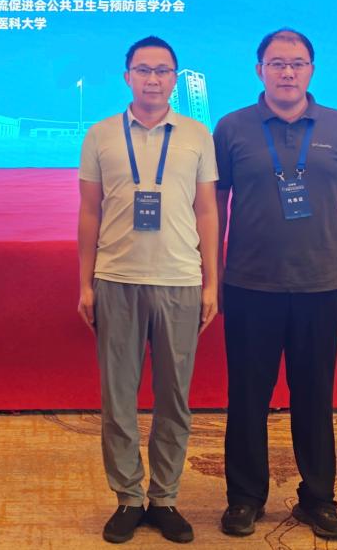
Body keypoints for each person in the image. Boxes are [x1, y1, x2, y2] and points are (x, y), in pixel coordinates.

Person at [214, 28, 337, 541]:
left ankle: (318, 498)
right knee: (247, 397)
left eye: (297, 63)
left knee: (314, 397)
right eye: (277, 63)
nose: (287, 71)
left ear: (311, 70)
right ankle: (245, 498)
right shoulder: (232, 127)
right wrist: (212, 272)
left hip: (320, 286)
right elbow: (215, 203)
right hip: (249, 285)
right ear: (259, 69)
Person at [77, 36, 219, 544]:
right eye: (143, 70)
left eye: (162, 71)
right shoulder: (100, 135)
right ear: (127, 77)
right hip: (116, 279)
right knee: (118, 399)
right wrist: (85, 282)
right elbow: (89, 212)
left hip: (180, 279)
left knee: (174, 398)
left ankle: (165, 498)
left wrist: (211, 282)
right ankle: (127, 498)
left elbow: (207, 211)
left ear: (174, 79)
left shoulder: (197, 135)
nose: (153, 79)